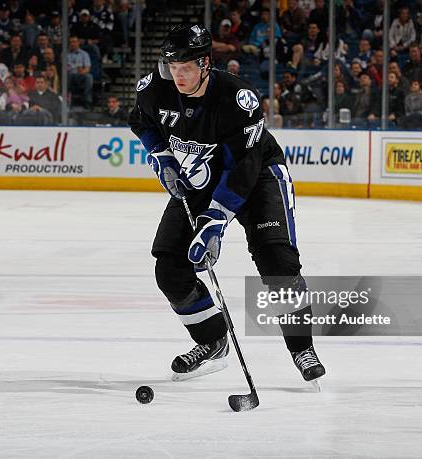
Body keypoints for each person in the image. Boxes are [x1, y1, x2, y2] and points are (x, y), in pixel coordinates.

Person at [128, 25, 325, 383]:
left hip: (257, 174)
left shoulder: (237, 98)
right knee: (169, 267)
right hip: (200, 174)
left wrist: (216, 219)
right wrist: (160, 154)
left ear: (205, 63)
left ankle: (301, 348)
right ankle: (212, 340)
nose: (178, 75)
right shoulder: (156, 89)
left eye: (186, 67)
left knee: (277, 262)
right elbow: (141, 121)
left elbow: (243, 167)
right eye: (173, 67)